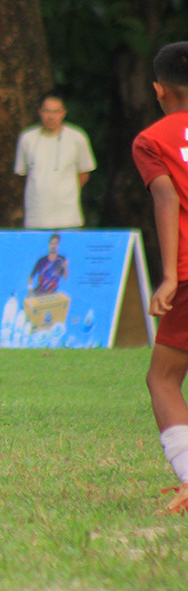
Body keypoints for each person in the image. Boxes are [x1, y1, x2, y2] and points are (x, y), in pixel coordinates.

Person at [133, 42, 188, 514]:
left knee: (164, 379)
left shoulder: (153, 138)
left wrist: (169, 276)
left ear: (159, 89)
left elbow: (166, 198)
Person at [14, 90, 97, 229]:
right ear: (40, 112)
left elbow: (84, 173)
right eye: (47, 111)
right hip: (36, 217)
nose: (50, 116)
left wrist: (66, 192)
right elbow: (22, 174)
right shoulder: (27, 138)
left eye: (56, 111)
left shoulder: (77, 137)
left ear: (63, 113)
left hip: (69, 217)